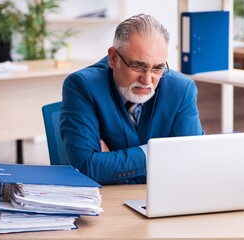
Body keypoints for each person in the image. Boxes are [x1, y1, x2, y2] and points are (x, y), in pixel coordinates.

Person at [60, 14, 204, 185]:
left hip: (166, 198)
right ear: (113, 58)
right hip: (107, 203)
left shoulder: (182, 89)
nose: (148, 80)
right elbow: (86, 168)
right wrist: (159, 154)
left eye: (158, 68)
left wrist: (110, 162)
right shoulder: (82, 85)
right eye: (138, 66)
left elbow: (192, 162)